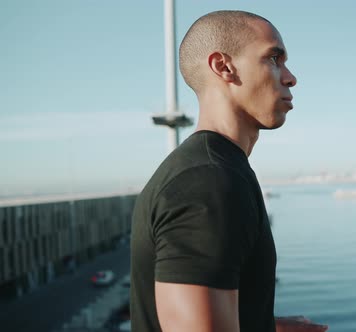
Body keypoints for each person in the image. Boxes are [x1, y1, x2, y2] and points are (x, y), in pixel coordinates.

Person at [130, 10, 328, 332]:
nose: (290, 77)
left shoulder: (214, 169)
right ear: (223, 67)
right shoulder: (208, 182)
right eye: (274, 59)